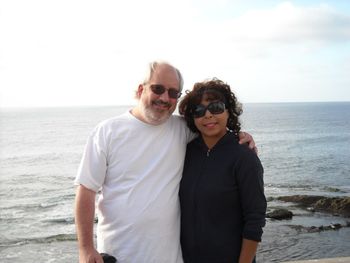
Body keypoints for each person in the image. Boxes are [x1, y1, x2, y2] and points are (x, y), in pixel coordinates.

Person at [74, 61, 256, 263]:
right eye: (158, 88)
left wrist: (240, 135)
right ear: (141, 89)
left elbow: (213, 128)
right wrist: (86, 248)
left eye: (173, 93)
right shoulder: (107, 131)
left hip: (169, 257)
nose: (164, 98)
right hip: (118, 254)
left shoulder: (181, 129)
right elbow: (86, 190)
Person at [178, 78, 266, 263]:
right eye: (199, 111)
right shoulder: (184, 152)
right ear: (192, 119)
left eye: (216, 107)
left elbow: (255, 219)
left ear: (228, 111)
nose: (208, 115)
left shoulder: (244, 157)